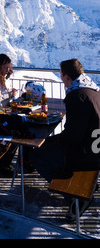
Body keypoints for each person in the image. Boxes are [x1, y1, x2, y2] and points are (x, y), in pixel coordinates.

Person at [30, 58, 100, 220]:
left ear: (67, 77)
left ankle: (76, 196)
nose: (61, 78)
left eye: (61, 75)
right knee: (46, 144)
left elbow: (73, 136)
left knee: (37, 155)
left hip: (85, 152)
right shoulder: (94, 90)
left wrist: (53, 142)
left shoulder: (77, 96)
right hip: (94, 146)